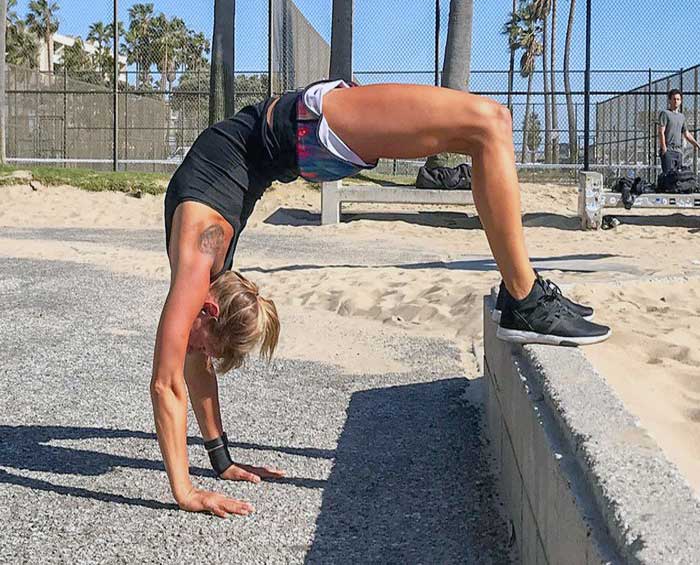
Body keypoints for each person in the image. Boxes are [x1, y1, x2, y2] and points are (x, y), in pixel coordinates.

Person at [153, 79, 611, 518]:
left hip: (308, 125)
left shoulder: (199, 255)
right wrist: (210, 469)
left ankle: (524, 298)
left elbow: (167, 381)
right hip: (305, 134)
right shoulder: (205, 269)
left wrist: (194, 484)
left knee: (490, 123)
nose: (199, 353)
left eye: (204, 343)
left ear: (209, 308)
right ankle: (524, 292)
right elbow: (188, 368)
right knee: (489, 124)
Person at [658, 89, 700, 174]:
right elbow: (661, 132)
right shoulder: (665, 113)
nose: (676, 101)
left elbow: (686, 134)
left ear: (680, 101)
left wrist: (697, 145)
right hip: (668, 151)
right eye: (674, 99)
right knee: (669, 177)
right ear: (669, 100)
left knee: (678, 178)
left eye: (678, 99)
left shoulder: (682, 117)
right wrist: (664, 148)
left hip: (679, 152)